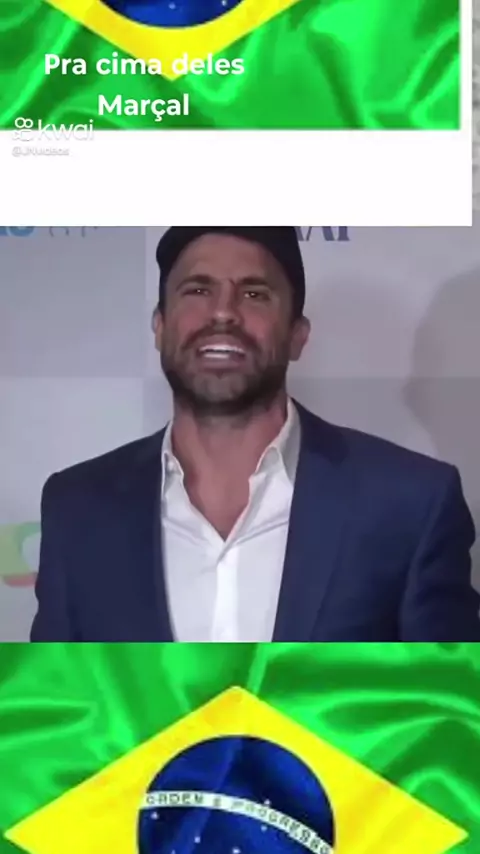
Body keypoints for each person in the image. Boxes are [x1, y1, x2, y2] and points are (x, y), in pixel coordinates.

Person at [30, 226, 480, 642]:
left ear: (297, 336)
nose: (223, 312)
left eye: (254, 294)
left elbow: (444, 700)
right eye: (198, 290)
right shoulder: (78, 509)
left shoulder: (410, 504)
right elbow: (58, 699)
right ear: (160, 327)